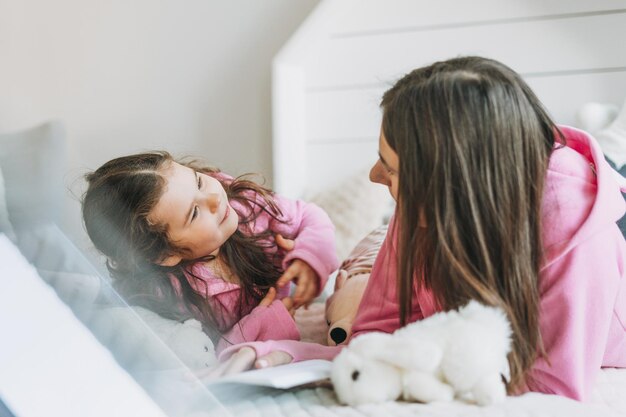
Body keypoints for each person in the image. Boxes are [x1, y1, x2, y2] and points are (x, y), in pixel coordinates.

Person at [216, 56, 626, 401]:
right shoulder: (423, 209)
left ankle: (612, 136)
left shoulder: (577, 234)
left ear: (450, 186)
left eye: (391, 168)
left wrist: (414, 371)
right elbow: (374, 335)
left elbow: (549, 389)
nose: (375, 176)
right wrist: (284, 353)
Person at [82, 151, 339, 356]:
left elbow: (309, 216)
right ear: (165, 255)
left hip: (290, 282)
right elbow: (214, 352)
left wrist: (309, 258)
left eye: (199, 181)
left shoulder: (247, 204)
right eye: (194, 213)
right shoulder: (176, 294)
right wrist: (266, 316)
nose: (214, 199)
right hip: (274, 320)